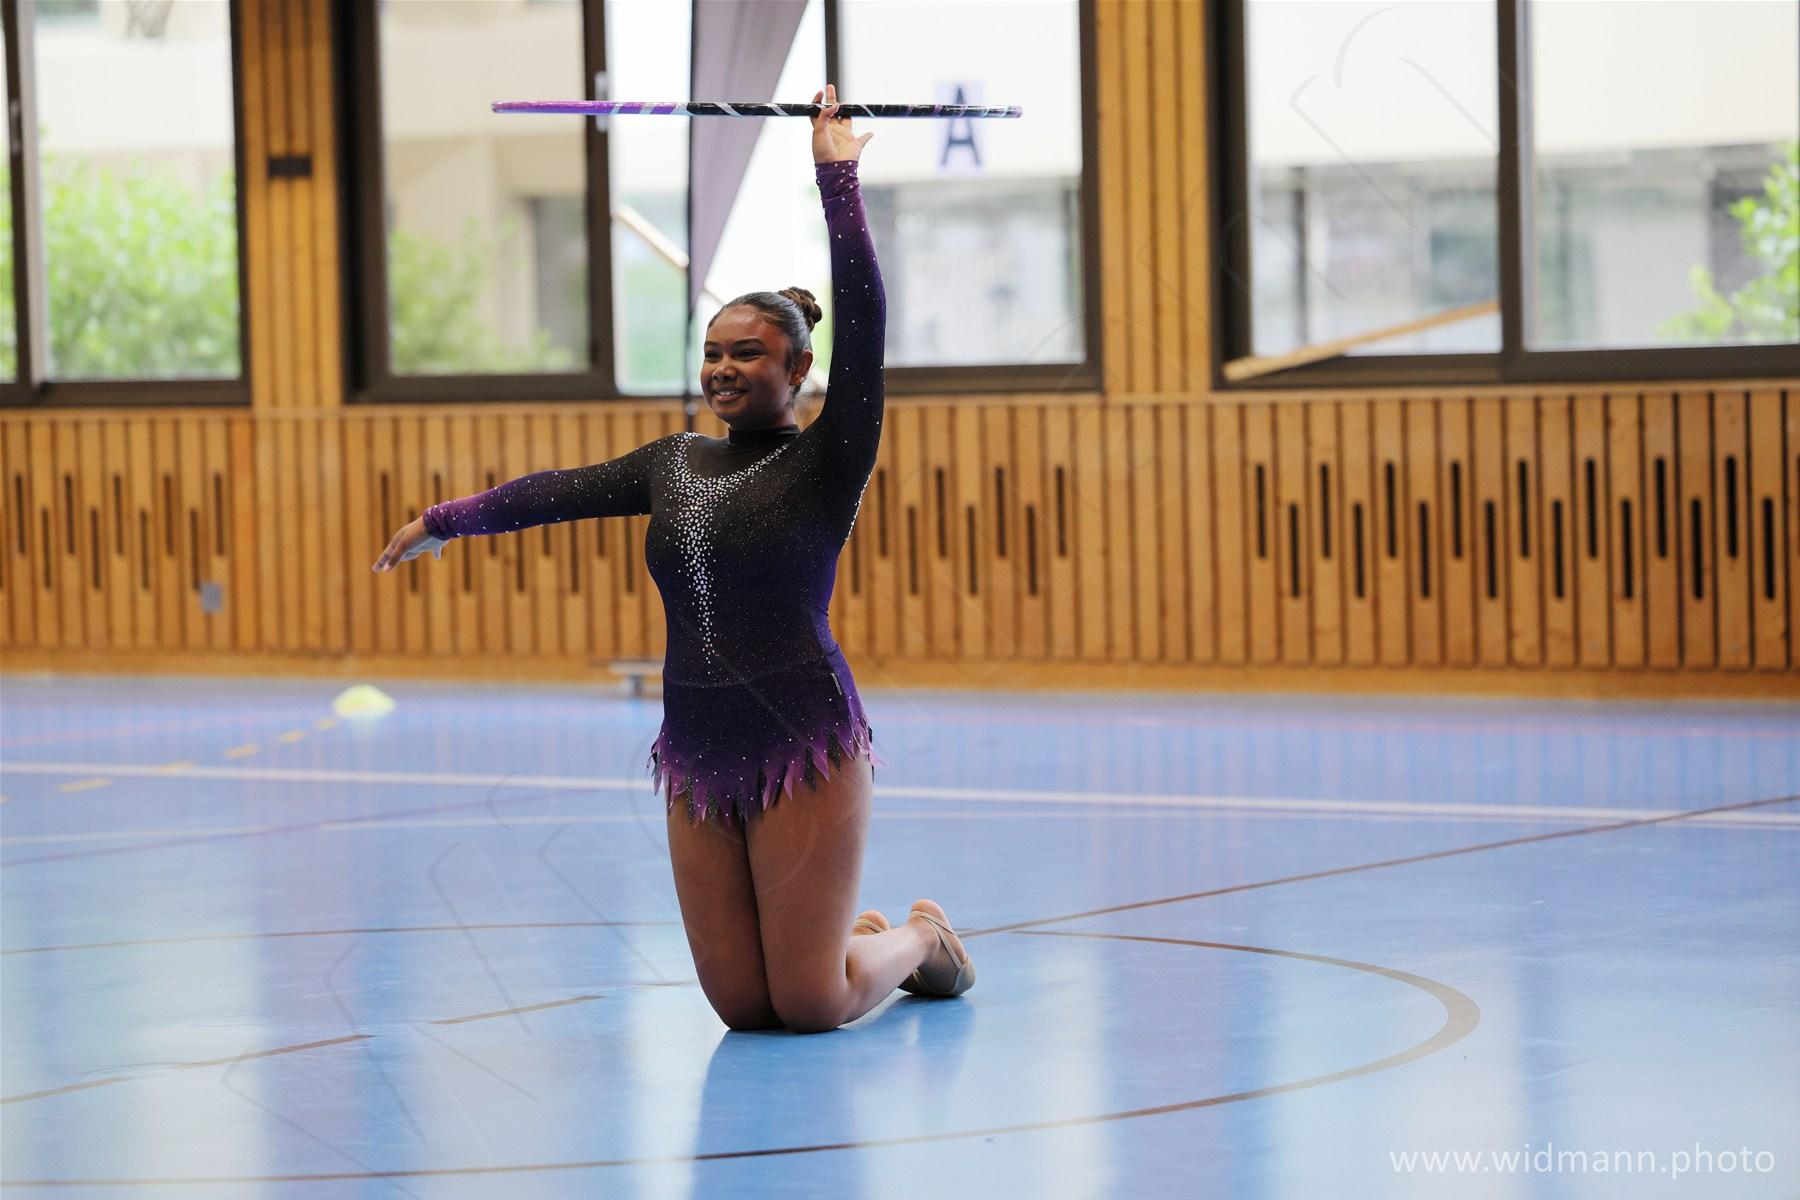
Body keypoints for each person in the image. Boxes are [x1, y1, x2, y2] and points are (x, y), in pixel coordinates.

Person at [372, 85, 973, 1033]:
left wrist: (836, 178)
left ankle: (920, 940)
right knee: (742, 1006)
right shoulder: (673, 463)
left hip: (802, 736)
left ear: (797, 370)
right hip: (696, 745)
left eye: (749, 354)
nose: (724, 369)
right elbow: (556, 491)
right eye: (712, 353)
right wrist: (447, 520)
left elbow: (865, 319)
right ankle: (852, 941)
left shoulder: (829, 459)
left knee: (809, 1002)